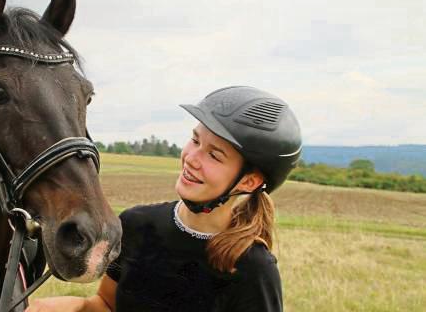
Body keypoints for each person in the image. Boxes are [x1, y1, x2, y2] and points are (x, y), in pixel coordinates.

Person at [26, 86, 302, 312]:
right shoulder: (137, 225)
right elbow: (106, 305)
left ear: (249, 181)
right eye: (195, 140)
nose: (192, 159)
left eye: (214, 155)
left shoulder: (252, 271)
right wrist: (69, 308)